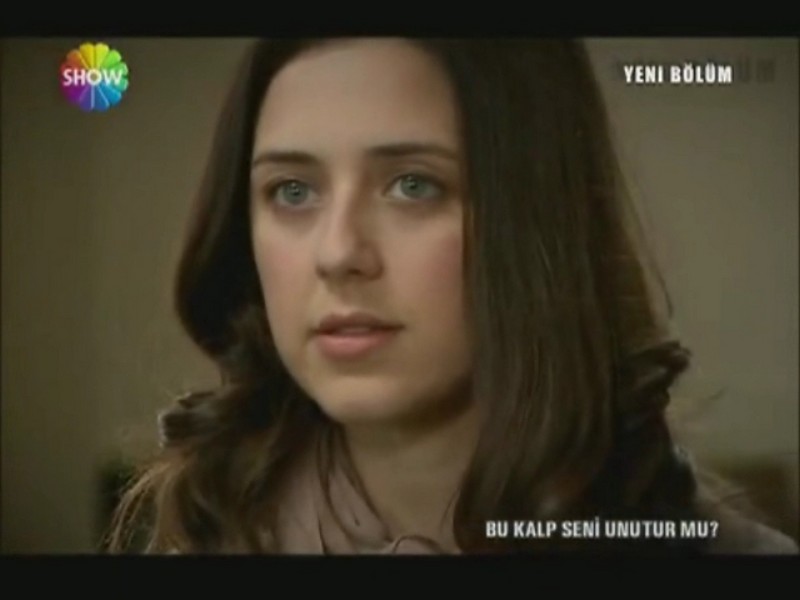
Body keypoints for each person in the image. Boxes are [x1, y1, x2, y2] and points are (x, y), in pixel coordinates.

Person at [106, 38, 797, 555]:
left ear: (537, 222)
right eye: (292, 191)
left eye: (413, 185)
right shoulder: (199, 538)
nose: (338, 253)